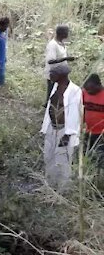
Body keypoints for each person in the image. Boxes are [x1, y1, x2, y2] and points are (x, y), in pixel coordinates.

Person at [41, 63, 82, 192]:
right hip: (51, 128)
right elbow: (50, 107)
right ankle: (49, 187)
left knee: (63, 160)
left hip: (65, 130)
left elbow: (75, 114)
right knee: (48, 157)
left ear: (62, 76)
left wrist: (68, 134)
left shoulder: (74, 90)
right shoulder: (55, 87)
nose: (50, 75)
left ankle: (62, 190)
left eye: (53, 74)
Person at [44, 25, 77, 106]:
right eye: (66, 32)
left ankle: (52, 106)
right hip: (54, 73)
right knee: (52, 92)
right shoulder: (53, 44)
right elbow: (50, 61)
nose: (68, 34)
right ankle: (48, 107)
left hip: (62, 73)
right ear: (61, 34)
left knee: (59, 91)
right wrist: (66, 59)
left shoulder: (61, 43)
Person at [82, 74, 104, 167]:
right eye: (86, 89)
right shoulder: (84, 92)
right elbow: (80, 108)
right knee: (87, 157)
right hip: (88, 132)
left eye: (91, 89)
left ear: (98, 85)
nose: (88, 91)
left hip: (101, 134)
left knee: (100, 158)